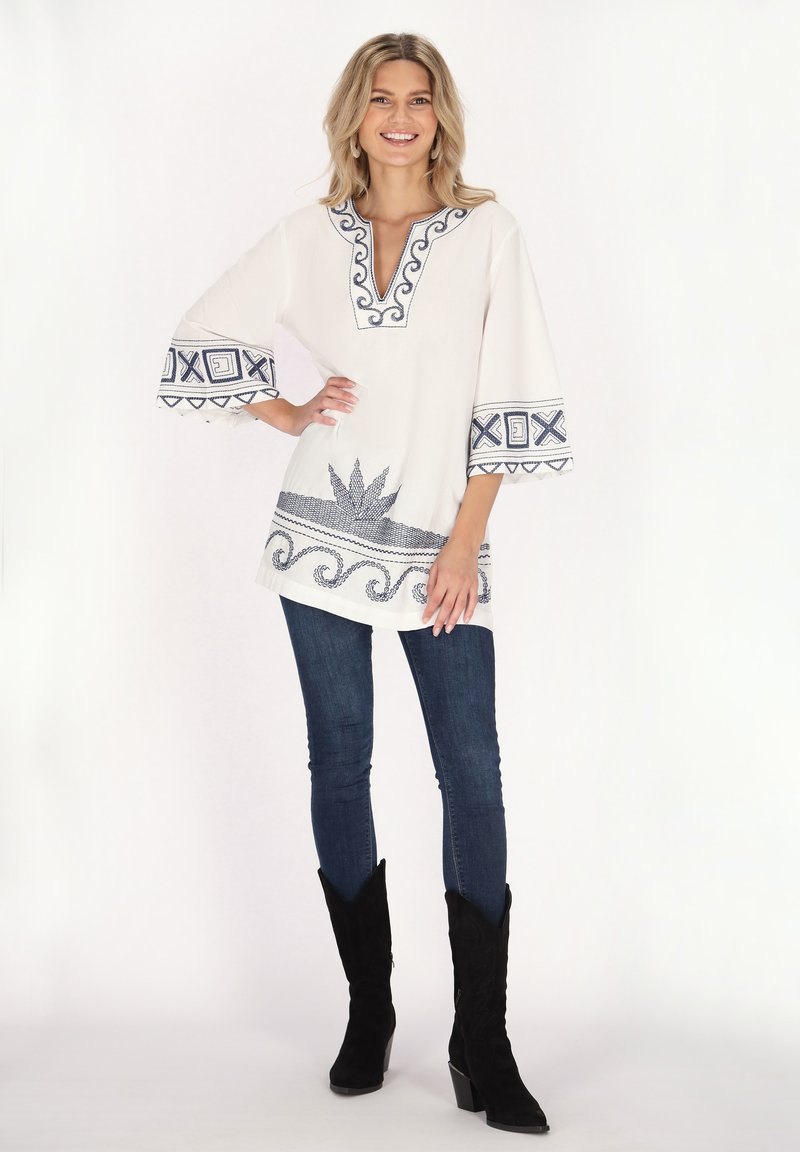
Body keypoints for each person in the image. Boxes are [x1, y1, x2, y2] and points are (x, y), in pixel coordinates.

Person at [156, 31, 574, 1136]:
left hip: (440, 551)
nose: (399, 116)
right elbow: (201, 333)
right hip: (319, 540)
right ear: (355, 116)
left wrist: (463, 543)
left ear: (441, 118)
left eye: (418, 99)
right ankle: (369, 1010)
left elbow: (508, 396)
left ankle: (482, 1042)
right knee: (339, 767)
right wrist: (286, 411)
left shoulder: (487, 235)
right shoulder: (309, 237)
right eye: (381, 98)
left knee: (471, 777)